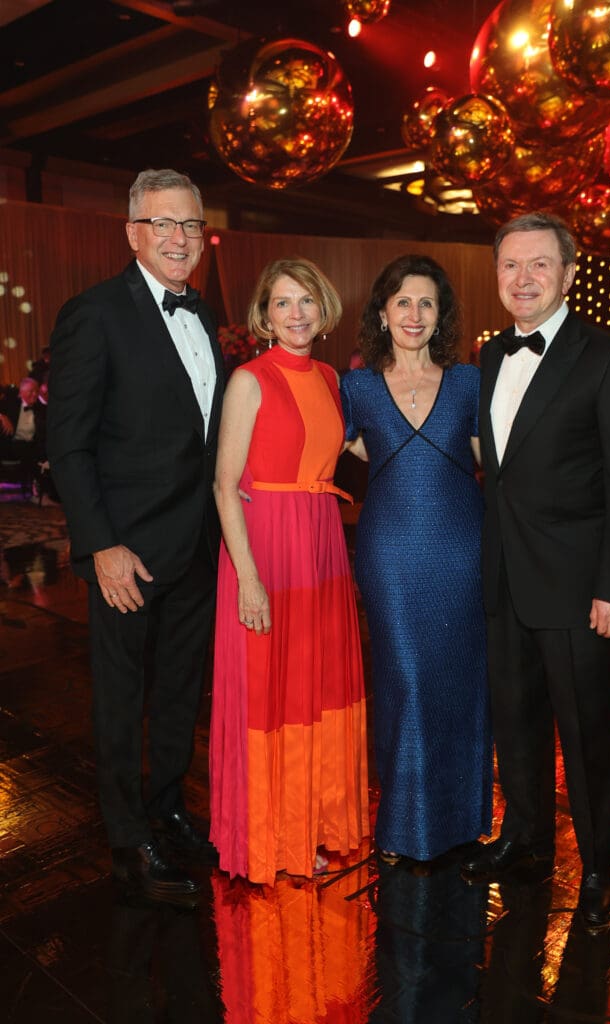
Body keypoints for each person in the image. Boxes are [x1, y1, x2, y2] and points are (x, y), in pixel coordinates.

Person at [463, 211, 610, 930]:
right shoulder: (488, 356)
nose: (523, 278)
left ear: (569, 274)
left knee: (587, 733)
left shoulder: (609, 356)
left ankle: (600, 866)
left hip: (578, 587)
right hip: (504, 577)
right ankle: (526, 841)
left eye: (539, 264)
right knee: (514, 722)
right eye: (510, 264)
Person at [47, 168, 225, 903]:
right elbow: (69, 443)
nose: (179, 238)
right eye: (163, 223)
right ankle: (127, 840)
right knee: (122, 698)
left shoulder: (205, 316)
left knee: (180, 690)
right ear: (133, 233)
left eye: (190, 224)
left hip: (198, 545)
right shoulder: (95, 314)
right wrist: (101, 545)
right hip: (128, 550)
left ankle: (167, 807)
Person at [210, 257, 369, 884]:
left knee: (314, 686)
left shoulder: (331, 377)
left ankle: (312, 823)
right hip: (267, 551)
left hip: (321, 545)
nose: (296, 313)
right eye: (282, 302)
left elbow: (355, 447)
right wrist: (248, 578)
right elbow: (224, 486)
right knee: (271, 692)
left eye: (306, 300)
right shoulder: (249, 380)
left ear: (324, 308)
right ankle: (271, 835)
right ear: (264, 315)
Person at [341, 253, 492, 866]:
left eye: (427, 302)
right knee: (405, 679)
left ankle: (460, 820)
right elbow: (334, 448)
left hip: (461, 551)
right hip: (390, 553)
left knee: (459, 681)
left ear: (440, 316)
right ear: (382, 312)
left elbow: (492, 458)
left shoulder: (468, 382)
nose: (414, 313)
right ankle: (406, 826)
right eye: (403, 301)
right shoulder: (355, 387)